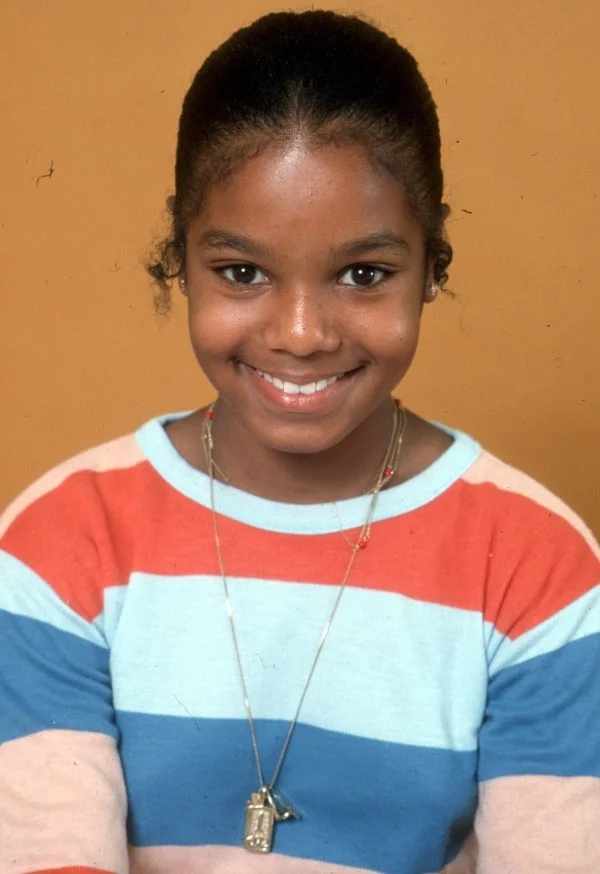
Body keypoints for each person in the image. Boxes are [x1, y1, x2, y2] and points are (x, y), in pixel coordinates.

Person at [0, 9, 598, 874]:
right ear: (181, 252)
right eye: (242, 272)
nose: (302, 333)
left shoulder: (537, 567)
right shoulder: (61, 544)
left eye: (364, 273)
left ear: (433, 263)